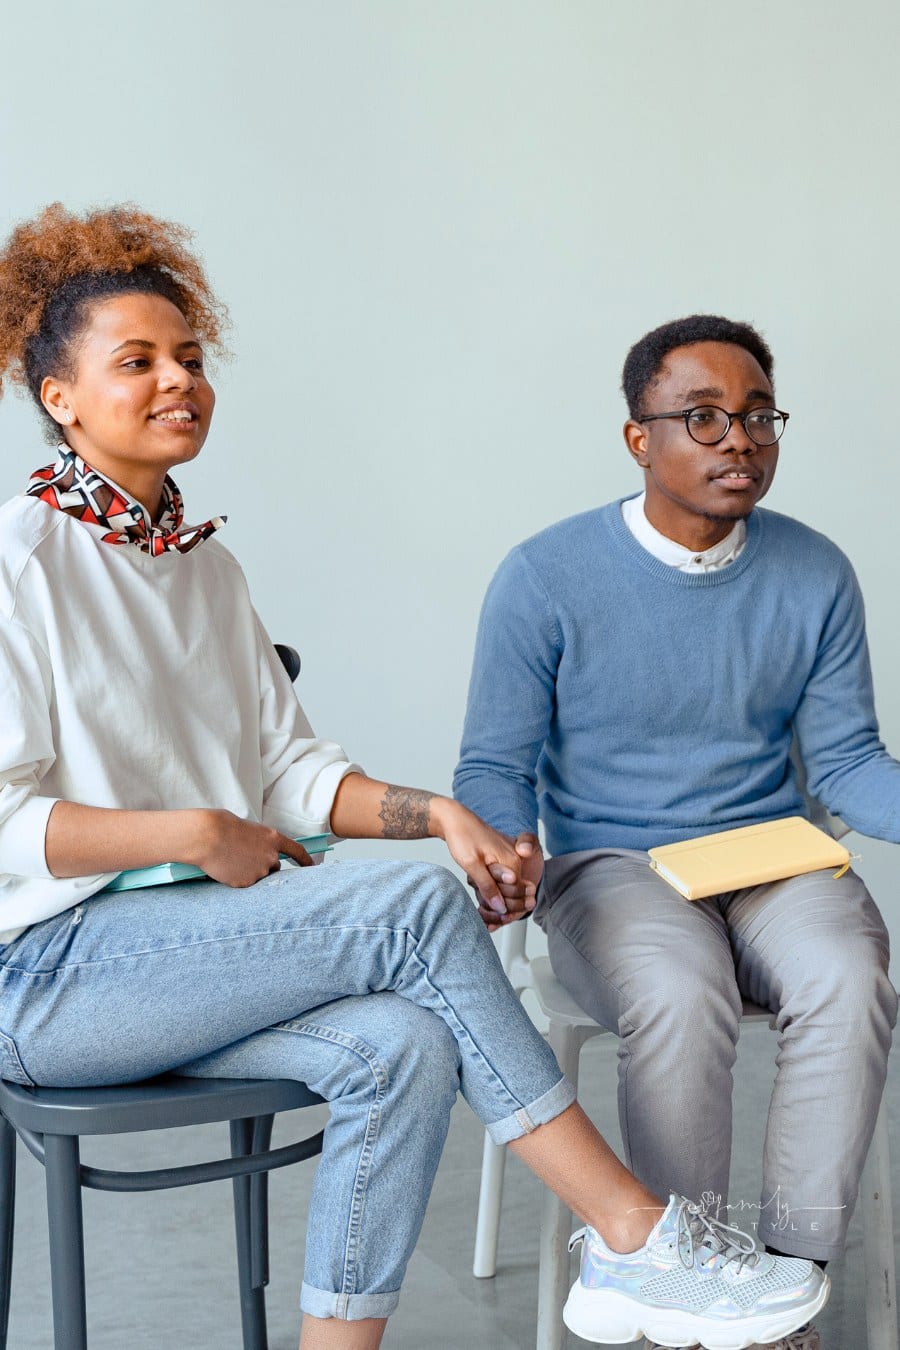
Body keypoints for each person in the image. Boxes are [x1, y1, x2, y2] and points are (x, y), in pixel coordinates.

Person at [0, 216, 827, 1350]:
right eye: (136, 362)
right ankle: (636, 1240)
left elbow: (292, 776)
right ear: (59, 397)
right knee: (417, 907)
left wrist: (436, 813)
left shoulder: (205, 569)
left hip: (185, 962)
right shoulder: (19, 564)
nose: (178, 381)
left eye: (189, 357)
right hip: (49, 978)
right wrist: (195, 830)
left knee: (403, 1044)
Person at [454, 314, 897, 1350]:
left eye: (756, 417)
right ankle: (681, 1276)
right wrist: (508, 849)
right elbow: (492, 767)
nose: (737, 440)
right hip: (616, 866)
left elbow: (848, 768)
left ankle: (789, 1285)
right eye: (702, 418)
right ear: (638, 439)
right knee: (677, 989)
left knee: (847, 974)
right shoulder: (545, 575)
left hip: (774, 857)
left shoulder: (815, 573)